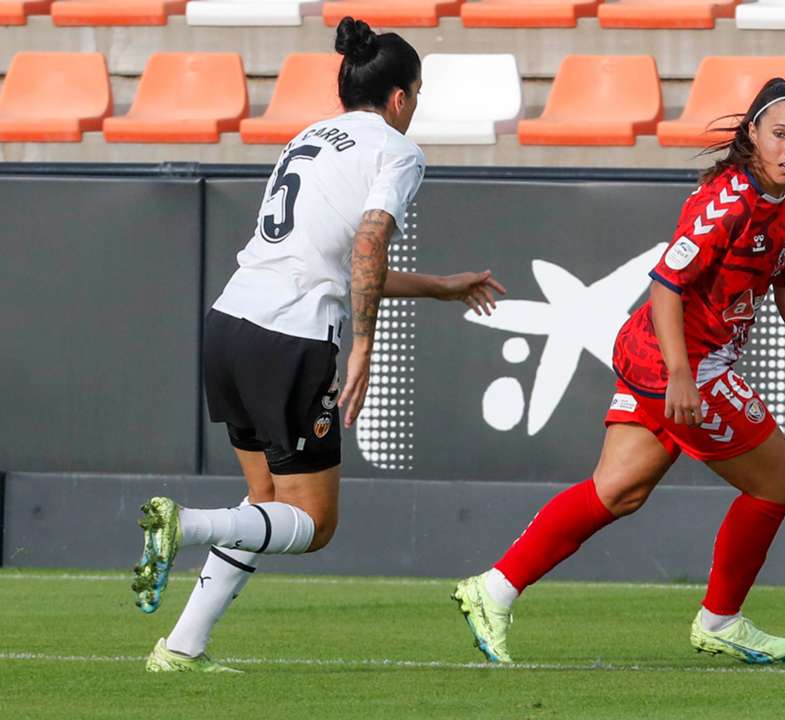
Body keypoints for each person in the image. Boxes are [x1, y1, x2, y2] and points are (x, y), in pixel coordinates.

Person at [453, 78, 785, 665]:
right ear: (752, 133)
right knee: (774, 485)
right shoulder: (727, 203)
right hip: (681, 363)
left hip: (661, 357)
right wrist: (681, 374)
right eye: (779, 134)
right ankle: (721, 619)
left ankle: (492, 589)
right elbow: (665, 287)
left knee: (617, 491)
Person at [130, 17, 506, 673]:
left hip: (232, 323)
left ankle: (182, 648)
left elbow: (338, 262)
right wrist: (364, 344)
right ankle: (184, 525)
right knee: (315, 526)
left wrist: (440, 287)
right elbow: (367, 244)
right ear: (399, 97)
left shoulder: (309, 136)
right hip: (293, 341)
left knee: (268, 506)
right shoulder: (396, 149)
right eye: (416, 95)